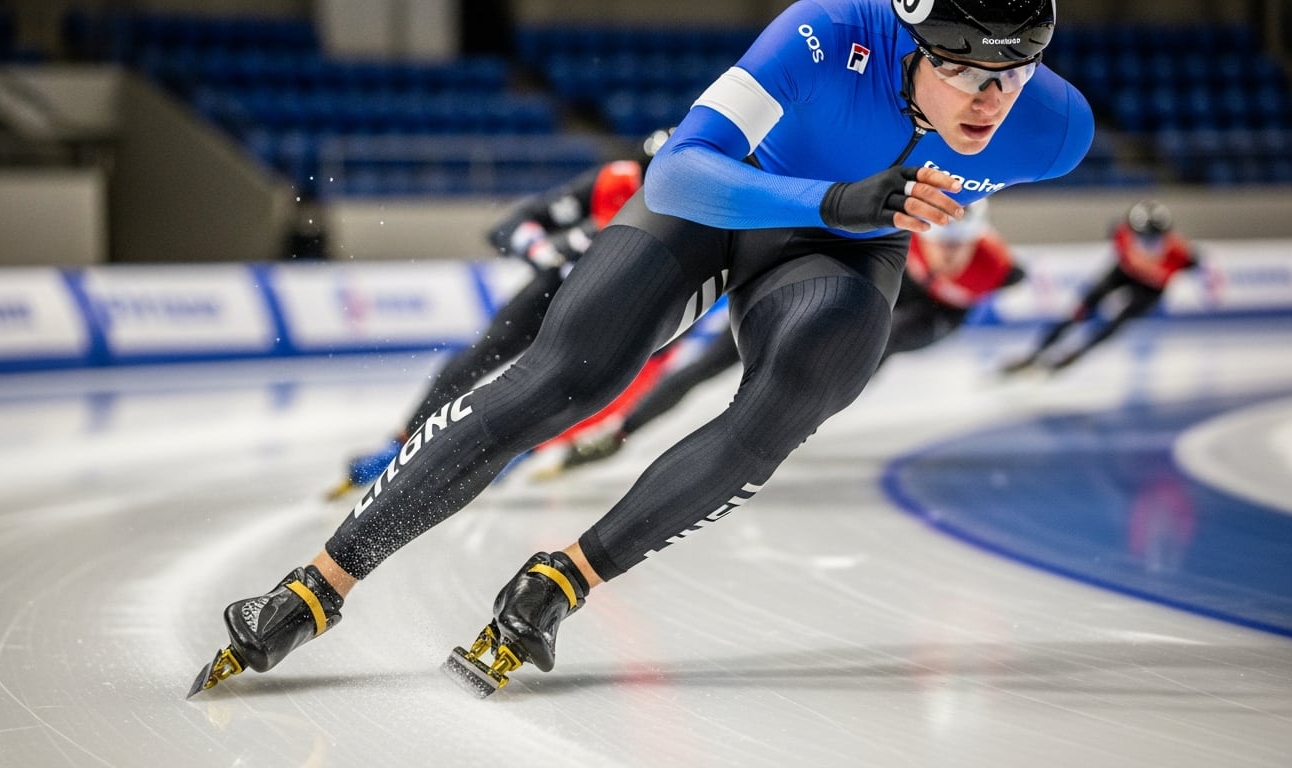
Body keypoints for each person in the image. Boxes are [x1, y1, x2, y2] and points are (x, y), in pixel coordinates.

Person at [189, 0, 1093, 699]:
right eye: (967, 69)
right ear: (906, 41)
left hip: (846, 241)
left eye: (1015, 72)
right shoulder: (825, 33)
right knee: (563, 379)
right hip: (732, 202)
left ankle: (558, 583)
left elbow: (971, 155)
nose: (992, 98)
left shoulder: (1056, 131)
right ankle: (316, 585)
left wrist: (852, 217)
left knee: (811, 382)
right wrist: (832, 200)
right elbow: (680, 170)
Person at [548, 199, 1024, 476]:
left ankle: (787, 417)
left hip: (932, 314)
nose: (949, 259)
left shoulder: (997, 267)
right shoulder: (897, 233)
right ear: (923, 234)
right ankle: (620, 434)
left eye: (960, 248)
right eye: (943, 245)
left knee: (880, 342)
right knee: (708, 365)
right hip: (841, 289)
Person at [324, 130, 674, 500]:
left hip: (615, 309)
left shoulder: (686, 211)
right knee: (478, 357)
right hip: (556, 288)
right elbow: (510, 226)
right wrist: (545, 252)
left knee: (571, 385)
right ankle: (403, 443)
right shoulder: (612, 181)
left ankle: (520, 449)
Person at [1000, 199, 1198, 374]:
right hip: (1122, 273)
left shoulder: (1181, 254)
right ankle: (1035, 353)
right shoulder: (1122, 234)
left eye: (1153, 239)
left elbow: (1197, 266)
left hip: (1150, 289)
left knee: (1115, 323)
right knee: (1077, 312)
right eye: (1141, 237)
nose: (1146, 244)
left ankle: (1078, 353)